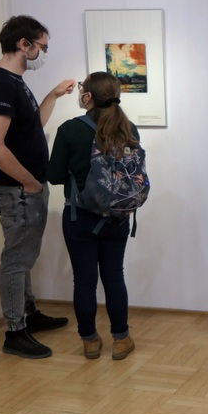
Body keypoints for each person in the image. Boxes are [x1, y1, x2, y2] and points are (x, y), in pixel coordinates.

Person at [0, 15, 75, 359]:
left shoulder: (15, 82)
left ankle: (29, 314)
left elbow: (32, 126)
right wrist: (28, 181)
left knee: (25, 254)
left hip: (26, 187)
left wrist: (53, 95)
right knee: (17, 258)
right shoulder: (0, 85)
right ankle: (15, 331)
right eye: (41, 48)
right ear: (24, 44)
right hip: (17, 189)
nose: (42, 54)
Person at [48, 72, 138, 360]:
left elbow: (54, 175)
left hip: (80, 216)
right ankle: (121, 339)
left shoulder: (69, 130)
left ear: (87, 96)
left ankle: (90, 341)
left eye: (82, 88)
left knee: (84, 280)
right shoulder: (128, 128)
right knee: (114, 277)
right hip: (117, 216)